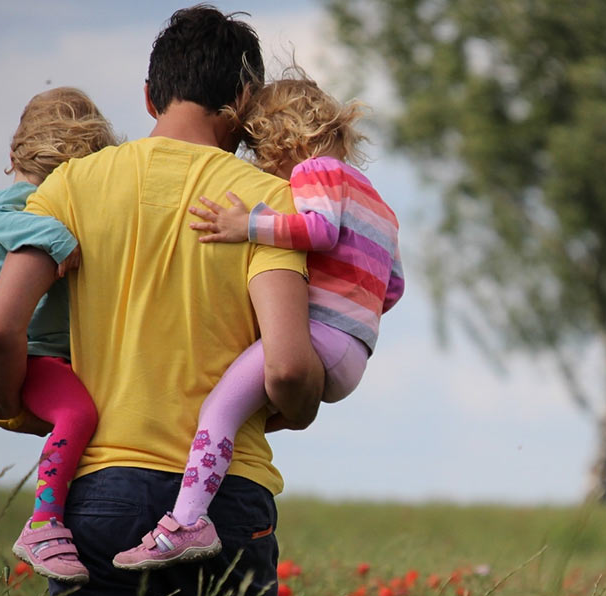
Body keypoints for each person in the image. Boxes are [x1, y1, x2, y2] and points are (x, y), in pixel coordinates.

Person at [0, 5, 323, 596]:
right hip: (226, 499)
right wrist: (298, 408)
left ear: (148, 95)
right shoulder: (265, 202)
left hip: (99, 491)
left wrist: (15, 406)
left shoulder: (70, 186)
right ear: (244, 100)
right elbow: (286, 367)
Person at [113, 72, 404, 570]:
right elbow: (392, 287)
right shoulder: (379, 203)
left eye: (259, 149)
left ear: (284, 138)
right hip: (355, 351)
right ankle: (202, 499)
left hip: (318, 337)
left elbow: (318, 230)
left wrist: (245, 225)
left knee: (218, 410)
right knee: (245, 411)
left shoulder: (316, 173)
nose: (261, 164)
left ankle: (187, 522)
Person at [0, 87, 117, 583]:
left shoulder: (44, 199)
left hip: (58, 355)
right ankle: (44, 522)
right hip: (33, 355)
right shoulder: (20, 205)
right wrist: (57, 237)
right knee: (78, 413)